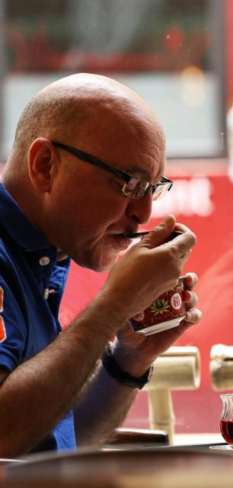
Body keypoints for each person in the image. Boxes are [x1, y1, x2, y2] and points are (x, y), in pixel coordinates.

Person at [0, 74, 201, 457]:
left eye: (152, 189)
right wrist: (112, 307)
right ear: (45, 165)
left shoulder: (46, 254)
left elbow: (52, 440)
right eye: (130, 184)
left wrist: (130, 360)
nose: (144, 214)